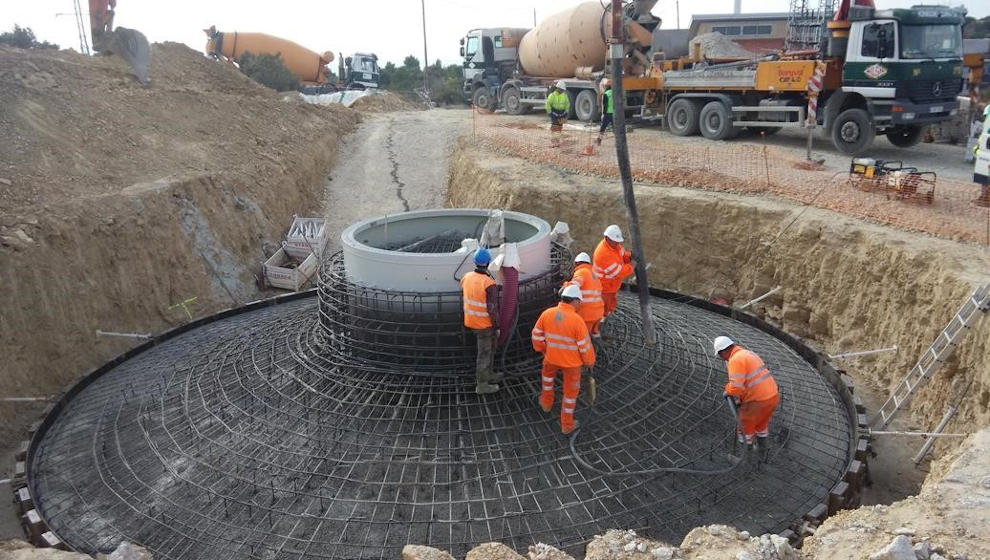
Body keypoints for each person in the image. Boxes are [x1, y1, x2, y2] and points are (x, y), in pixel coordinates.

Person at [532, 284, 595, 434]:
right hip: (572, 365)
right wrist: (589, 363)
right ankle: (567, 425)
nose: (580, 305)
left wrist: (544, 350)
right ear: (574, 301)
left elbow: (536, 336)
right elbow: (585, 347)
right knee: (570, 394)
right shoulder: (577, 320)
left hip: (550, 359)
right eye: (580, 302)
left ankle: (546, 403)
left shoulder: (547, 314)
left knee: (547, 382)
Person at [714, 336, 780, 460]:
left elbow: (736, 387)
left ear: (723, 352)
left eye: (719, 355)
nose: (721, 359)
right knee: (761, 425)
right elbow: (750, 381)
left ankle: (745, 460)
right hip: (772, 397)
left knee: (744, 429)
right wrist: (741, 400)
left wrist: (727, 389)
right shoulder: (748, 353)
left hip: (757, 401)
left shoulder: (735, 360)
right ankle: (762, 453)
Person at [461, 248, 500, 394]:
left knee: (489, 349)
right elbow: (492, 309)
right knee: (484, 352)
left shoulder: (466, 277)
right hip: (484, 324)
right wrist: (497, 326)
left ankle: (489, 374)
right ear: (488, 263)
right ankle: (482, 385)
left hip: (470, 320)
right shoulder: (489, 283)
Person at [592, 224, 634, 320]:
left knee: (610, 303)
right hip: (604, 286)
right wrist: (632, 267)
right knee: (602, 306)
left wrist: (630, 256)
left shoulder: (615, 246)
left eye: (618, 241)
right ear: (606, 238)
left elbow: (622, 254)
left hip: (612, 285)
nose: (617, 243)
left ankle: (606, 315)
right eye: (614, 241)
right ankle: (599, 321)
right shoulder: (603, 253)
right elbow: (618, 271)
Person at [563, 252, 605, 338]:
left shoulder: (581, 272)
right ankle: (597, 344)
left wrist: (565, 286)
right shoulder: (594, 274)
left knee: (582, 337)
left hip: (587, 314)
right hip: (598, 312)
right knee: (594, 334)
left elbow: (574, 285)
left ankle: (588, 349)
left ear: (576, 263)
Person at [546, 80, 570, 148]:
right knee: (554, 127)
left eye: (563, 90)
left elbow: (567, 104)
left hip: (562, 113)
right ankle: (554, 141)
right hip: (554, 113)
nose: (563, 91)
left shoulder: (564, 96)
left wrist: (566, 113)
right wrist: (550, 113)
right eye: (562, 89)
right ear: (558, 88)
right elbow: (548, 104)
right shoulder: (552, 95)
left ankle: (557, 141)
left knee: (560, 127)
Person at [595, 80, 613, 146]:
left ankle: (599, 140)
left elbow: (604, 106)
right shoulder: (615, 93)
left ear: (606, 87)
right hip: (614, 114)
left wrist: (603, 114)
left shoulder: (606, 94)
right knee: (616, 129)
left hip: (607, 114)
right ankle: (618, 142)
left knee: (603, 128)